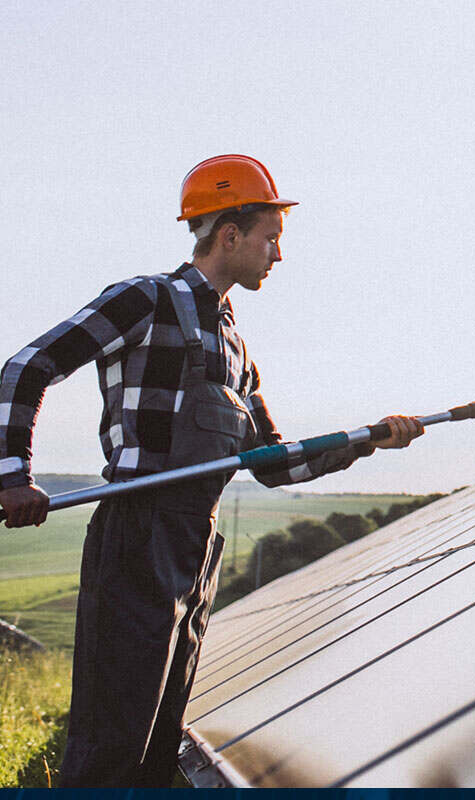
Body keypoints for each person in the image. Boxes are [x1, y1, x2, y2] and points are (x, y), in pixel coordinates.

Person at [0, 154, 424, 787]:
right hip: (137, 532)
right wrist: (12, 473)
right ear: (230, 234)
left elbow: (273, 463)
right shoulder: (145, 300)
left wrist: (367, 439)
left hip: (198, 544)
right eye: (270, 239)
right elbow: (26, 368)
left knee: (156, 742)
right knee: (112, 740)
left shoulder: (236, 346)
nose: (277, 255)